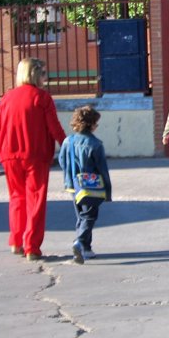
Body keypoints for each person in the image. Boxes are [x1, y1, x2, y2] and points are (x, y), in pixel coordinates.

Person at [0, 57, 66, 261]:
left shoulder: (7, 98)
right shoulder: (42, 97)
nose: (45, 78)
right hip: (36, 155)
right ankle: (31, 246)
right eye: (43, 73)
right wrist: (67, 145)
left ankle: (16, 241)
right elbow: (54, 127)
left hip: (10, 155)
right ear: (34, 74)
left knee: (16, 198)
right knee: (35, 200)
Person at [59, 106, 112, 264]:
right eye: (96, 123)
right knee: (89, 216)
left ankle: (86, 249)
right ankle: (80, 242)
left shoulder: (68, 141)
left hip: (73, 185)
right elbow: (103, 169)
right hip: (92, 187)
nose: (97, 126)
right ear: (91, 125)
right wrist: (108, 192)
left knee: (81, 217)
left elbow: (62, 161)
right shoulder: (96, 144)